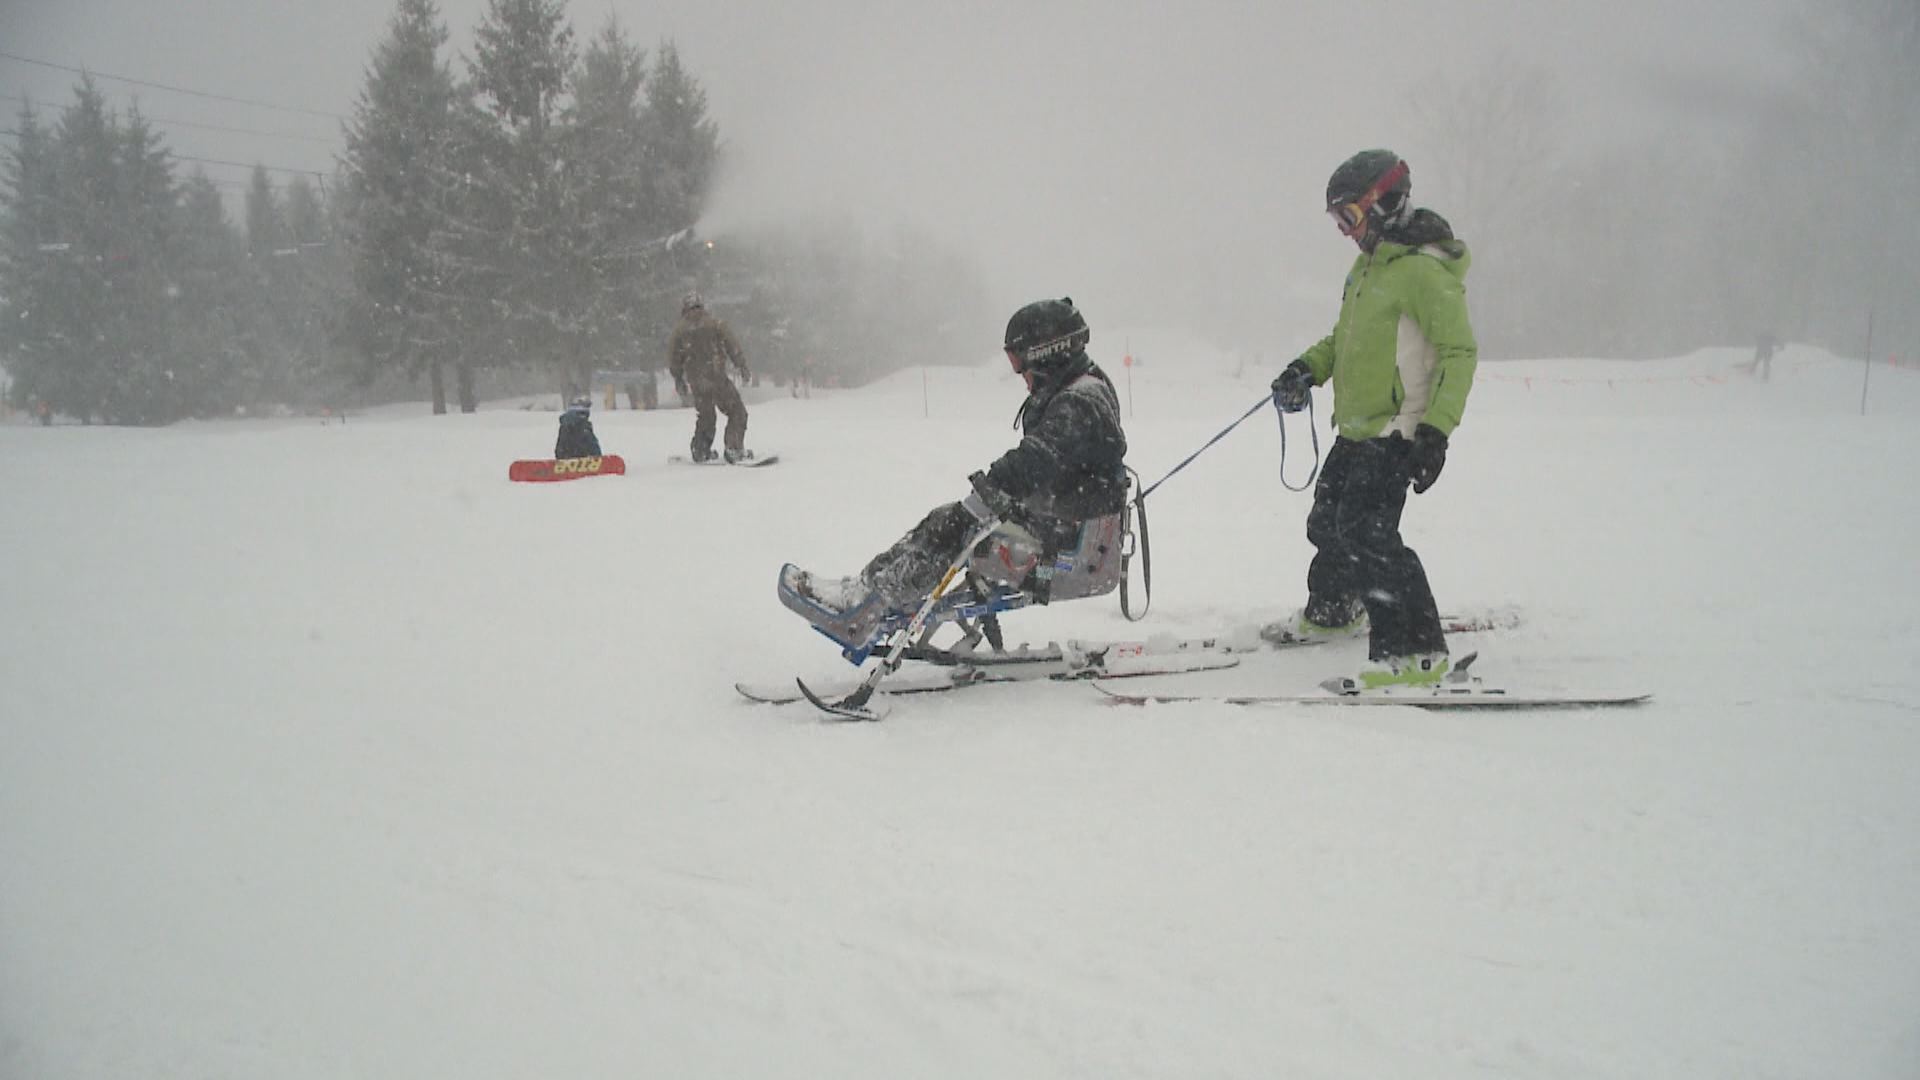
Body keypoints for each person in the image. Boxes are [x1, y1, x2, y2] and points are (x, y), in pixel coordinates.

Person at [790, 297, 1128, 644]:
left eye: (1019, 363)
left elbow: (1035, 460)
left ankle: (869, 604)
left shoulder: (1080, 402)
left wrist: (992, 490)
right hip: (1059, 525)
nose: (1020, 374)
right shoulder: (1080, 388)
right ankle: (866, 591)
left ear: (1047, 356)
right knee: (946, 521)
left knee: (953, 528)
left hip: (1071, 551)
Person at [1266, 149, 1478, 689]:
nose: (1345, 232)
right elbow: (1345, 339)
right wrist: (1305, 369)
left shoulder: (1423, 273)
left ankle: (1417, 652)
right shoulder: (1365, 270)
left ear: (1385, 203)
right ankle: (1335, 610)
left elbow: (1458, 352)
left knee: (1369, 535)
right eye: (1338, 221)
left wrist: (1436, 432)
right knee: (1327, 522)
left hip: (1397, 430)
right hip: (1356, 427)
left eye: (1350, 217)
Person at [666, 292, 753, 462]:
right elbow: (732, 344)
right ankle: (733, 448)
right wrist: (741, 365)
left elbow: (674, 358)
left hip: (697, 383)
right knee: (737, 411)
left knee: (706, 416)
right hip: (717, 378)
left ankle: (701, 450)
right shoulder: (715, 324)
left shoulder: (679, 331)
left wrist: (678, 378)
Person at [554, 395, 601, 459]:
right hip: (584, 461)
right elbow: (593, 447)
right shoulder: (584, 426)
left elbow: (559, 449)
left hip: (566, 461)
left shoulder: (564, 425)